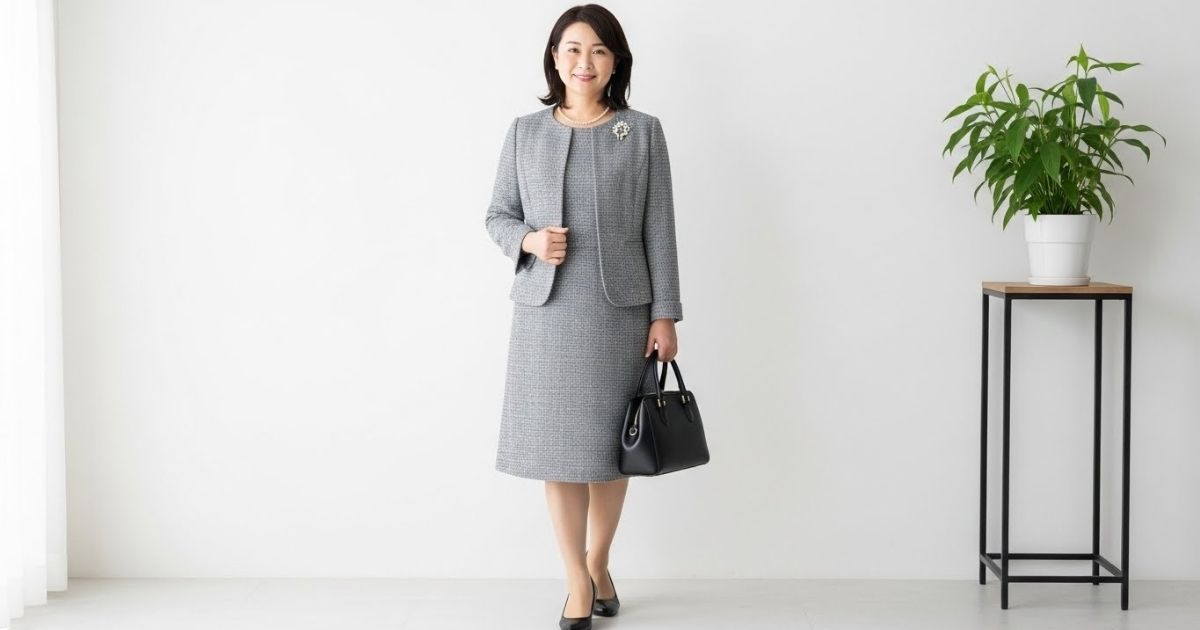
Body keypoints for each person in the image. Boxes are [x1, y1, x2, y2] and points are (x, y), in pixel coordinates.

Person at [483, 4, 684, 629]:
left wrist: (665, 314)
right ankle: (576, 577)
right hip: (547, 313)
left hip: (619, 313)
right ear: (554, 58)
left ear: (615, 61)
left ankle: (599, 560)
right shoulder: (524, 132)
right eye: (572, 49)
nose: (584, 61)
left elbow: (659, 228)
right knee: (559, 450)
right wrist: (529, 240)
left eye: (598, 50)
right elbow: (497, 215)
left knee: (610, 449)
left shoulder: (641, 132)